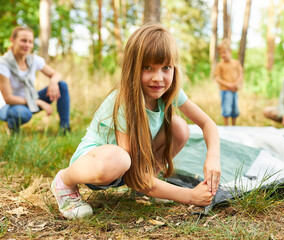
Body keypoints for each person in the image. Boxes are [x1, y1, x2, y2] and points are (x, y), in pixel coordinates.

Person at [51, 23, 221, 219]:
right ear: (132, 69)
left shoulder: (170, 91)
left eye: (166, 68)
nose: (158, 78)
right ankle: (64, 180)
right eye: (148, 68)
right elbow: (132, 176)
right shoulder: (124, 100)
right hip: (99, 165)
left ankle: (151, 181)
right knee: (119, 159)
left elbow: (208, 124)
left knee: (179, 127)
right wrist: (190, 196)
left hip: (130, 164)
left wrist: (213, 159)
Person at [0, 26, 70, 133]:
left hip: (30, 101)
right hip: (8, 106)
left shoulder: (33, 60)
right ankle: (13, 128)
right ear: (13, 40)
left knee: (61, 85)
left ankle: (65, 128)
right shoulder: (3, 64)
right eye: (23, 41)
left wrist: (53, 81)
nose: (27, 45)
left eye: (30, 42)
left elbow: (56, 74)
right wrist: (37, 102)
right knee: (23, 113)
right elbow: (8, 98)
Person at [214, 39, 243, 126]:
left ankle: (233, 127)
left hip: (234, 90)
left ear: (230, 51)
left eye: (224, 52)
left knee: (234, 110)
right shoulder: (220, 65)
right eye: (221, 53)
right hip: (225, 91)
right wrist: (228, 85)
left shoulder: (236, 63)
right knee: (226, 109)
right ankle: (227, 127)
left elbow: (240, 74)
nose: (222, 55)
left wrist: (235, 84)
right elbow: (217, 78)